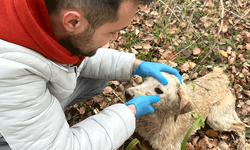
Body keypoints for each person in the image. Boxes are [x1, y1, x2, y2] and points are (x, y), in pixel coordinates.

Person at [0, 0, 182, 149]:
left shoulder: (41, 15)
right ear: (73, 22)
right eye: (112, 31)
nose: (116, 38)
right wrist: (129, 112)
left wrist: (134, 65)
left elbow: (77, 49)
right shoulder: (10, 70)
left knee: (96, 79)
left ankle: (40, 118)